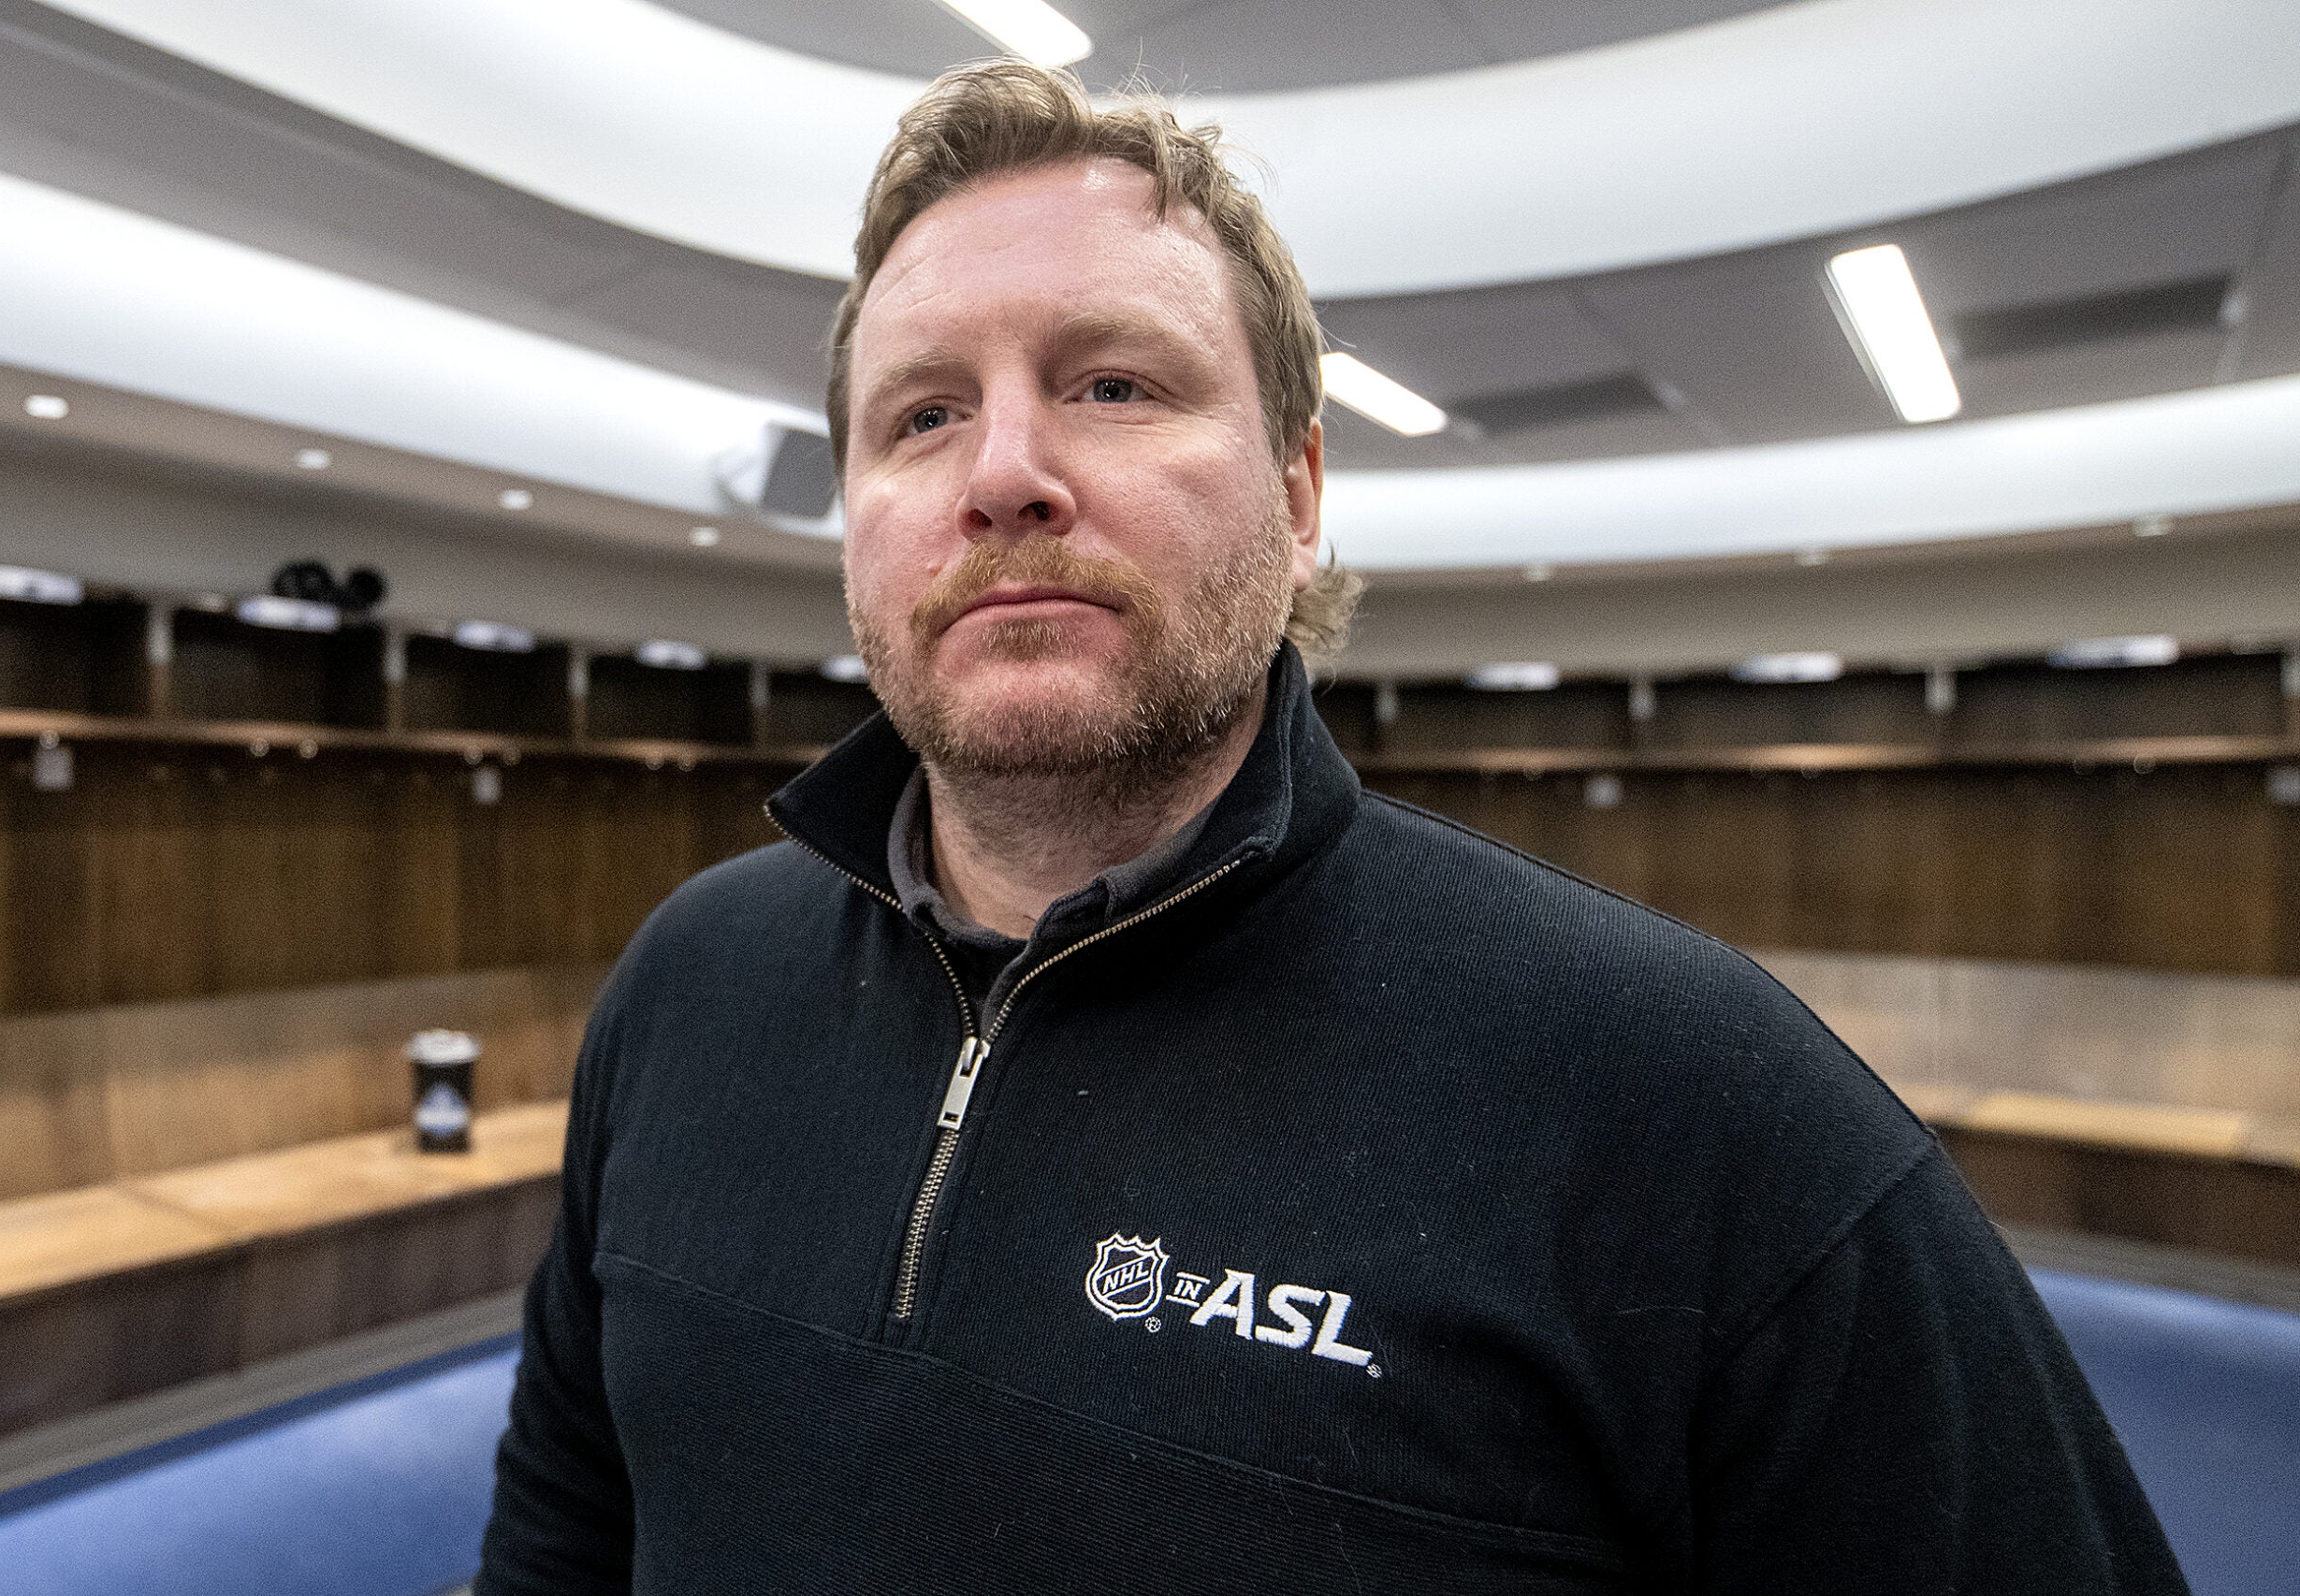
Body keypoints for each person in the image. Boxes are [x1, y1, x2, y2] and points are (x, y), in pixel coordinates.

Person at [476, 63, 2187, 1595]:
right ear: (854, 518)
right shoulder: (688, 981)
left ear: (1299, 493)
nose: (1003, 472)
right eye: (921, 414)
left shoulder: (1690, 1094)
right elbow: (567, 1524)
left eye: (1114, 385)